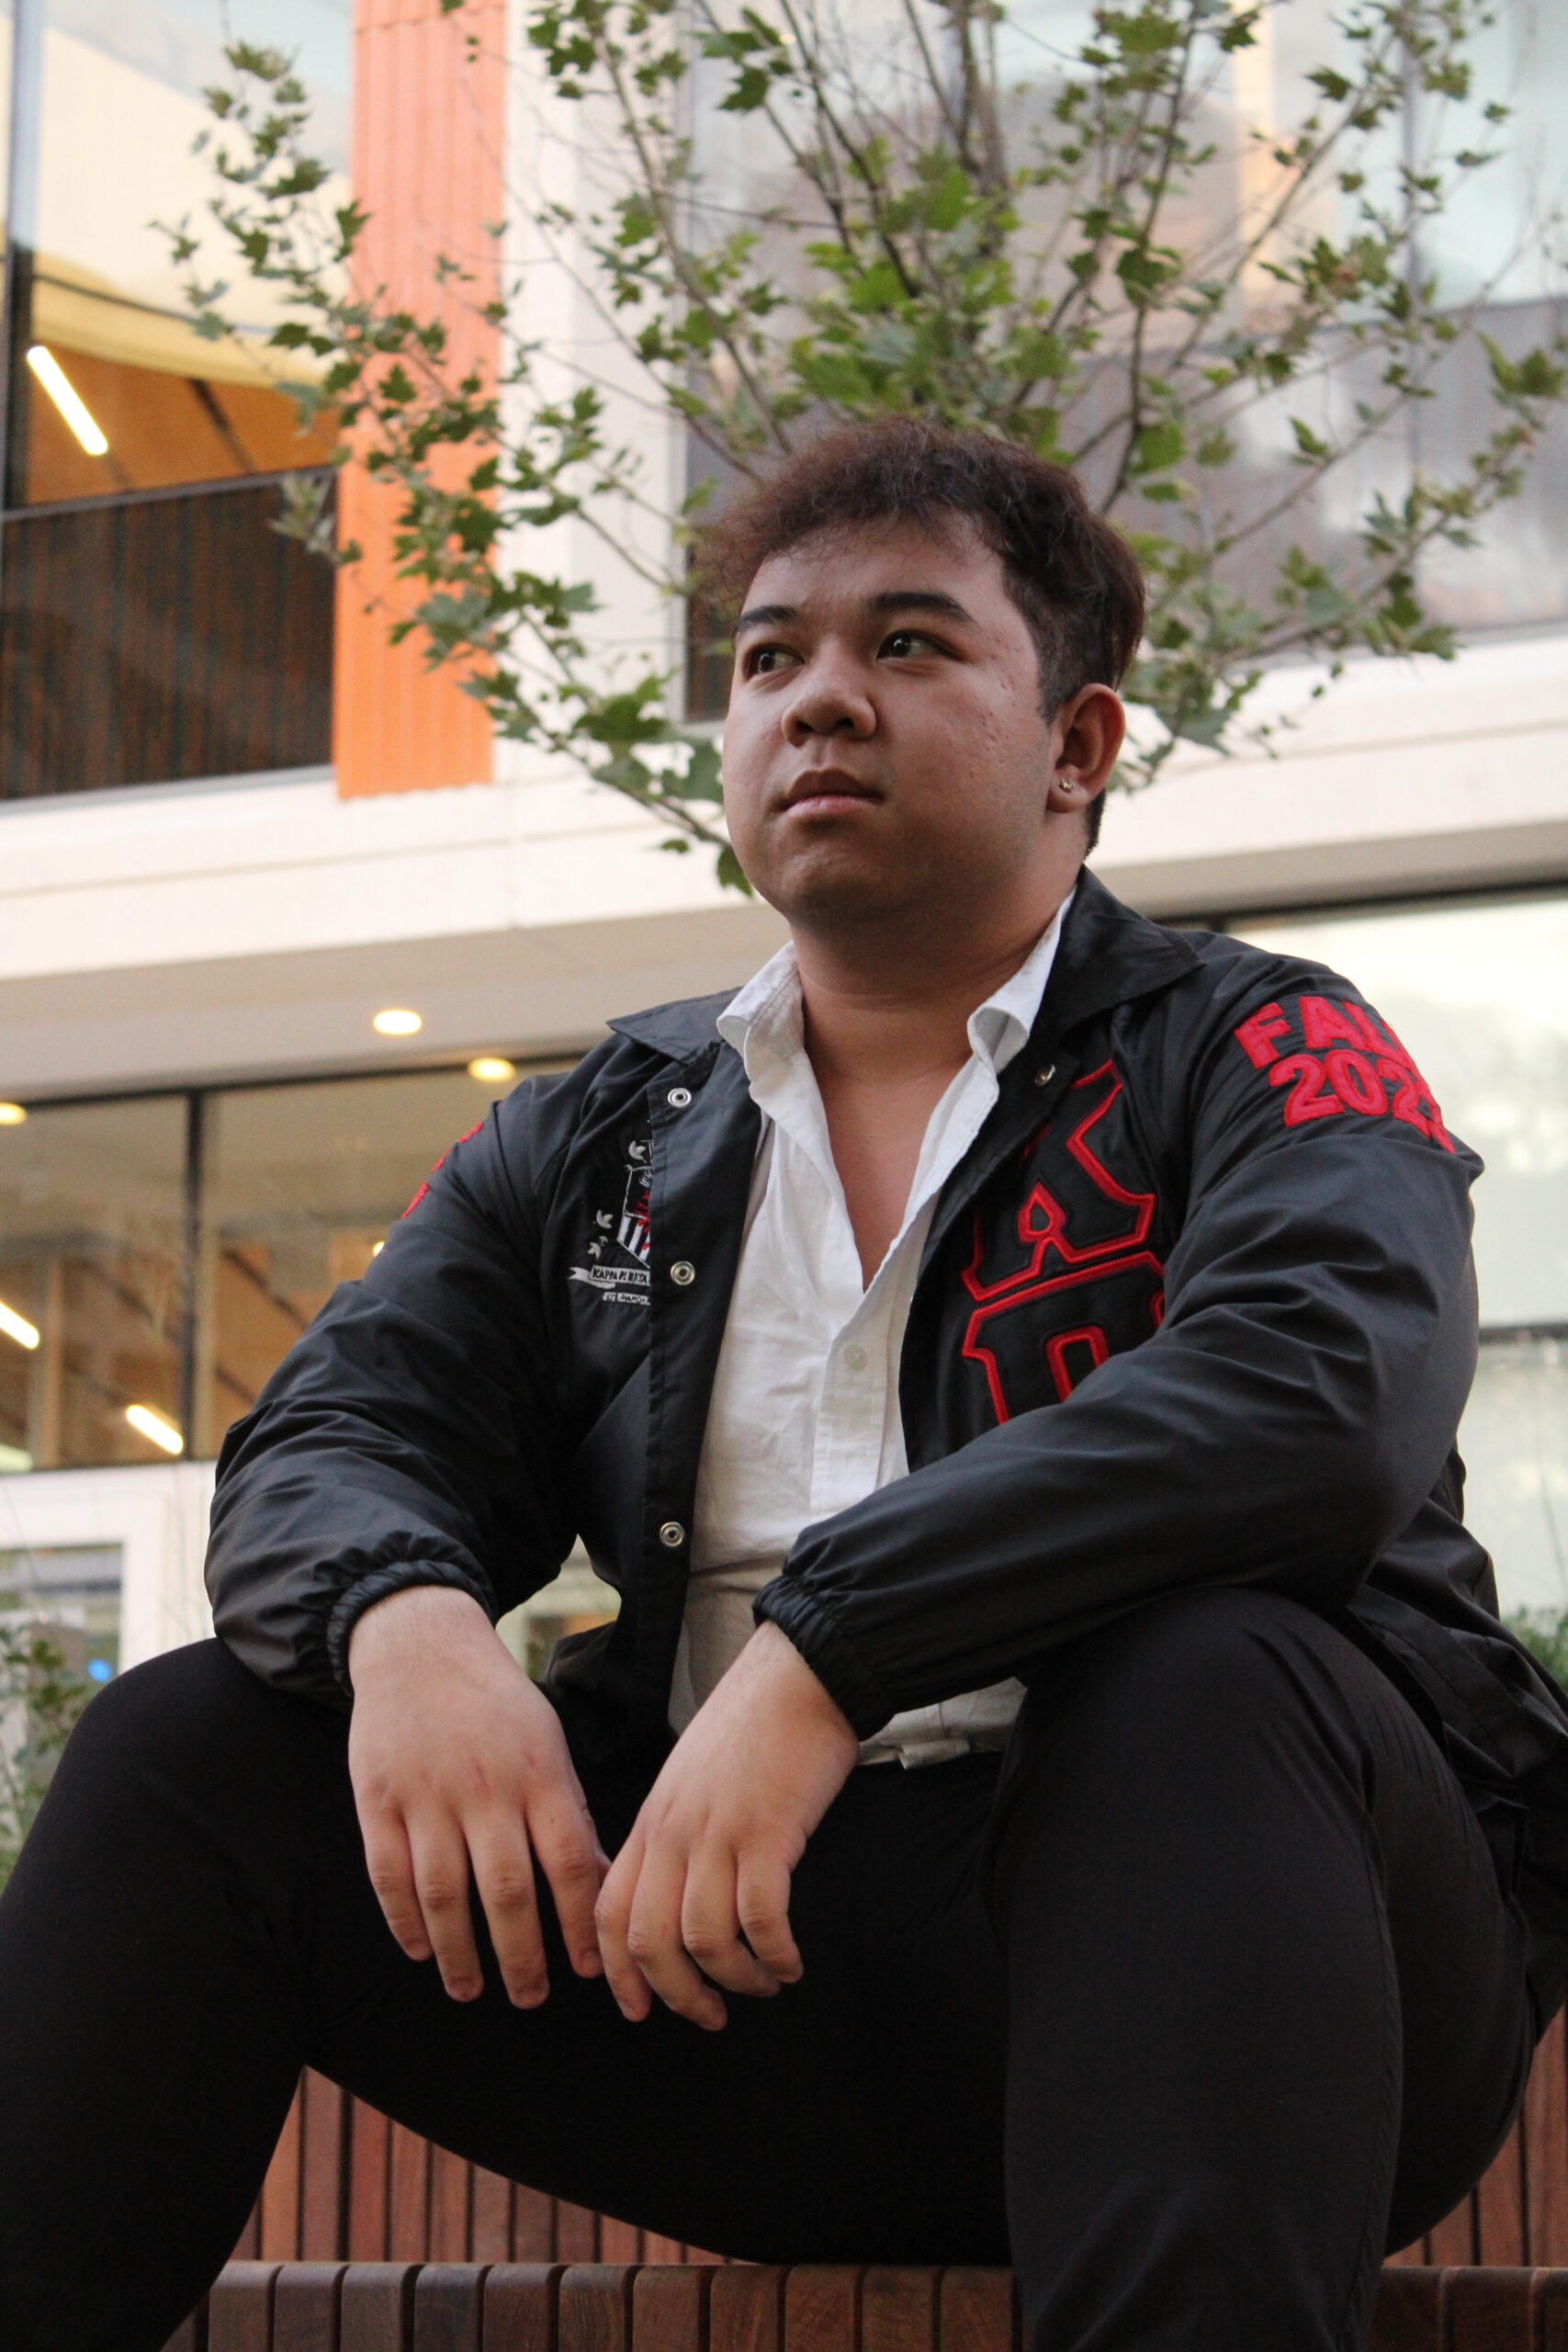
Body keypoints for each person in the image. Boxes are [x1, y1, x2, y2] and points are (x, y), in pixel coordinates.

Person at [4, 420, 1567, 2352]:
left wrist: (826, 1647)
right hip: (727, 1959)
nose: (818, 696)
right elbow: (338, 1426)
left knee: (1200, 1676)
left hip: (1259, 1972)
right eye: (769, 657)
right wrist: (403, 1623)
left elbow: (1313, 1389)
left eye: (907, 643)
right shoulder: (604, 1132)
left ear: (1077, 745)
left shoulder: (1260, 1045)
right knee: (185, 1754)